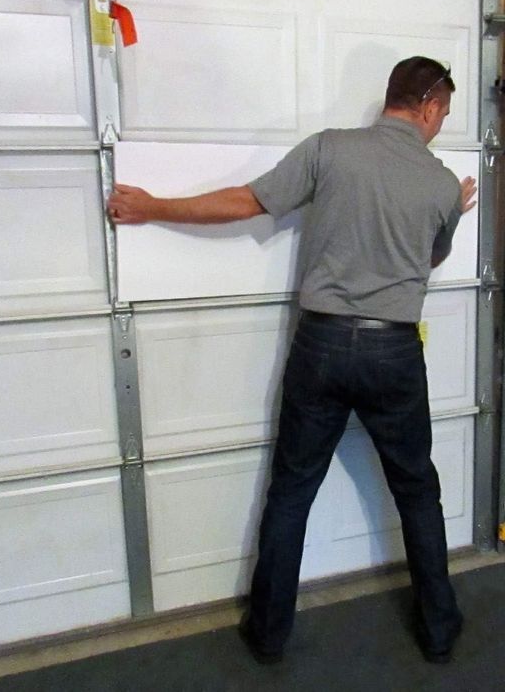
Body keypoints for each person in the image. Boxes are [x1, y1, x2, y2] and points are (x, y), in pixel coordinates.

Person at [107, 56, 477, 665]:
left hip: (322, 344)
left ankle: (268, 635)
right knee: (416, 491)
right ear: (431, 107)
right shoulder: (440, 184)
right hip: (393, 352)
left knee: (292, 490)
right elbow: (427, 262)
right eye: (444, 113)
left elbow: (246, 202)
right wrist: (449, 212)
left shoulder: (329, 149)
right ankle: (439, 632)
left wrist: (153, 206)